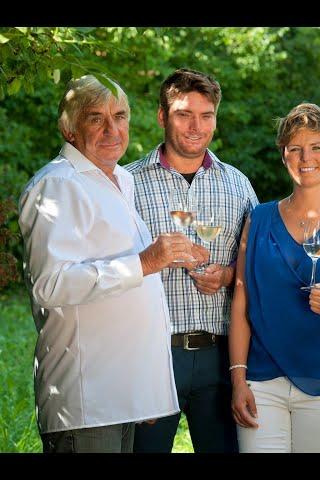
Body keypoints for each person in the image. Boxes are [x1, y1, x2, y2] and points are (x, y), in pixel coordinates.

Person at [18, 75, 194, 453]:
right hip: (87, 403)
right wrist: (144, 262)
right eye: (96, 118)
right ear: (69, 128)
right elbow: (50, 286)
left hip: (119, 398)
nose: (112, 129)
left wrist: (146, 390)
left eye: (120, 115)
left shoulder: (121, 180)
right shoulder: (57, 185)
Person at [229, 103, 320, 453]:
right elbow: (241, 304)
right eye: (294, 148)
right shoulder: (258, 219)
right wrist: (238, 378)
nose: (305, 157)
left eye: (316, 148)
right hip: (262, 380)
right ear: (284, 156)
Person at [125, 68, 258, 453]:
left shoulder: (238, 185)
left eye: (206, 115)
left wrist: (230, 274)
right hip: (149, 358)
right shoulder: (127, 185)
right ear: (162, 116)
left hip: (222, 360)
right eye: (184, 114)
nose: (195, 126)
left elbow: (255, 270)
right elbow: (110, 269)